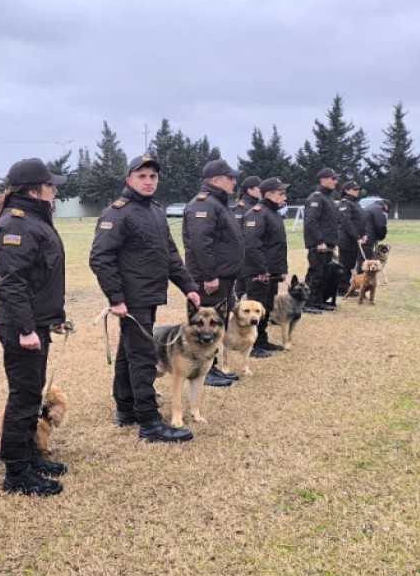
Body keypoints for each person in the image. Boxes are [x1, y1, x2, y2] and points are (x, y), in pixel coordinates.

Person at [89, 154, 202, 443]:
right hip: (132, 299)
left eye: (153, 176)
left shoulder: (154, 211)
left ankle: (126, 408)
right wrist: (115, 298)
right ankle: (150, 422)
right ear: (129, 180)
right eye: (142, 176)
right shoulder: (118, 213)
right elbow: (100, 258)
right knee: (141, 357)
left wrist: (188, 285)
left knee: (129, 353)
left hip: (150, 295)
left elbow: (170, 255)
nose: (148, 181)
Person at [0, 157, 68, 497]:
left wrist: (50, 319)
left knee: (31, 393)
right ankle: (17, 470)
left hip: (37, 322)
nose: (55, 191)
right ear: (36, 190)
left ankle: (30, 454)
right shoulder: (18, 225)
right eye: (51, 185)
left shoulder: (34, 220)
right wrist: (25, 329)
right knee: (22, 398)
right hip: (23, 326)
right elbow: (12, 283)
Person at [181, 159, 245, 387]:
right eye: (230, 178)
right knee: (204, 325)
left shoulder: (218, 204)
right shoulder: (204, 205)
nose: (234, 182)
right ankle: (202, 370)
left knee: (218, 323)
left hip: (223, 277)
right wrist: (209, 276)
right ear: (216, 180)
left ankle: (210, 365)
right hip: (210, 279)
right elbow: (201, 243)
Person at [241, 177, 290, 353]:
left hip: (272, 271)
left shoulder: (273, 213)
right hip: (259, 272)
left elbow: (277, 244)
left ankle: (262, 340)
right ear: (268, 194)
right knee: (255, 308)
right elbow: (252, 245)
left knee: (267, 307)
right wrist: (262, 270)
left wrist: (281, 269)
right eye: (280, 193)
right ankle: (252, 344)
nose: (284, 197)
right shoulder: (257, 213)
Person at [302, 167, 341, 313]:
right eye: (333, 178)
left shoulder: (329, 198)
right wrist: (319, 241)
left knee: (325, 273)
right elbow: (311, 221)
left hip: (329, 243)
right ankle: (308, 302)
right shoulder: (316, 198)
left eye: (336, 179)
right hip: (319, 244)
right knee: (316, 274)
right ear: (322, 180)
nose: (336, 181)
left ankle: (318, 301)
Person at [336, 180, 367, 284]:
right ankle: (342, 287)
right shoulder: (345, 203)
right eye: (355, 189)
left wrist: (364, 234)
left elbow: (360, 221)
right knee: (345, 264)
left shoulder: (355, 203)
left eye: (358, 189)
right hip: (347, 239)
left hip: (355, 239)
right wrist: (357, 237)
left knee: (351, 264)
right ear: (346, 190)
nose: (358, 191)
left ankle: (347, 285)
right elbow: (346, 222)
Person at [359, 197, 389, 265]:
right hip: (368, 237)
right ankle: (364, 274)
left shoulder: (370, 207)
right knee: (366, 260)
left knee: (362, 258)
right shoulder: (378, 209)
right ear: (386, 206)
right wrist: (381, 236)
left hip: (362, 235)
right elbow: (381, 225)